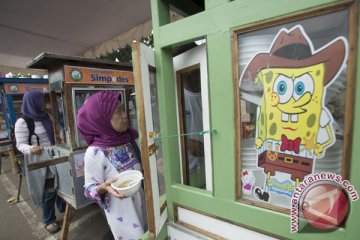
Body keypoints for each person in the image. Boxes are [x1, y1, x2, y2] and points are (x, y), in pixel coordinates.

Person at [76, 91, 147, 240]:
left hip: (144, 208)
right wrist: (103, 187)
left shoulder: (129, 139)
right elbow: (89, 190)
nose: (125, 115)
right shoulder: (95, 152)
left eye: (123, 109)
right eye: (118, 111)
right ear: (102, 118)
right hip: (123, 218)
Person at [15, 91, 65, 234]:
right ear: (33, 102)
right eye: (42, 101)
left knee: (61, 182)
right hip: (39, 159)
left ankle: (61, 206)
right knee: (48, 190)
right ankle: (48, 220)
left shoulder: (47, 116)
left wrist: (61, 138)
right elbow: (20, 145)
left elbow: (57, 132)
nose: (45, 104)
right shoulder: (23, 122)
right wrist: (32, 148)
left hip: (54, 156)